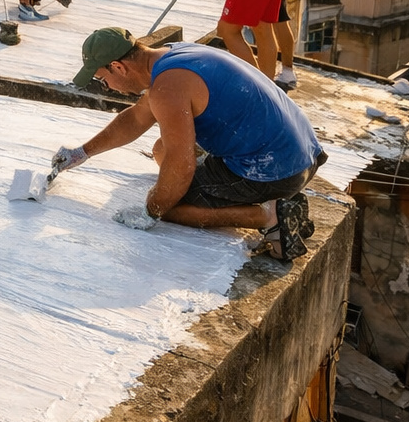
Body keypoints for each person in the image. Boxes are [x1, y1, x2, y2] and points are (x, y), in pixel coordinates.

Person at [58, 27, 324, 260]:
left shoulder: (168, 87)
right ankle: (268, 200)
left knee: (172, 206)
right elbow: (136, 119)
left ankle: (269, 215)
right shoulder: (172, 55)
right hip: (303, 154)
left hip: (273, 170)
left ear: (118, 66)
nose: (108, 87)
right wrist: (82, 153)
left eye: (103, 80)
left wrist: (152, 210)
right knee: (161, 149)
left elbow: (180, 165)